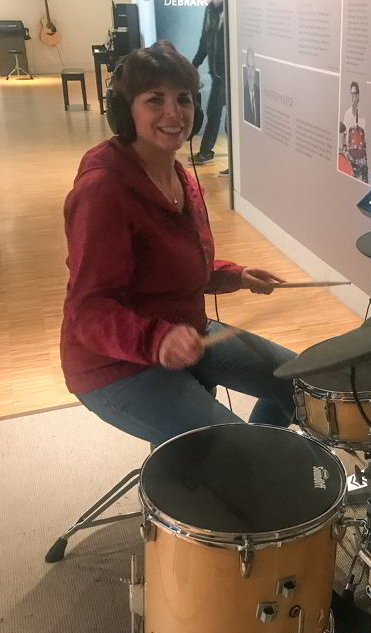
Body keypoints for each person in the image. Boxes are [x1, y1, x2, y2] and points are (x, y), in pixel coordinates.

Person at [61, 41, 296, 445]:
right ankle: (238, 467)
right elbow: (88, 310)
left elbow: (175, 267)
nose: (174, 113)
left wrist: (234, 275)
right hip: (113, 363)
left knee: (302, 381)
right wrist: (157, 340)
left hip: (186, 331)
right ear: (126, 111)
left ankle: (245, 464)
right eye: (155, 100)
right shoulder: (102, 190)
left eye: (183, 99)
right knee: (242, 450)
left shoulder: (181, 176)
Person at [188, 0, 226, 165]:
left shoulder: (234, 10)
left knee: (229, 121)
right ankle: (205, 153)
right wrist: (194, 64)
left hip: (231, 76)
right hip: (217, 76)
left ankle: (236, 163)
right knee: (213, 113)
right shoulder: (210, 10)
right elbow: (205, 40)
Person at [342, 81, 368, 182]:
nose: (352, 97)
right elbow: (343, 136)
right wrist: (345, 151)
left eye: (354, 94)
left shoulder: (364, 115)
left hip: (362, 158)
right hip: (350, 157)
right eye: (351, 94)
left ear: (358, 96)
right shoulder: (347, 114)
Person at [243, 48, 261, 128]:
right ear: (246, 68)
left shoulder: (259, 93)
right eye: (248, 67)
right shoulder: (242, 94)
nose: (250, 72)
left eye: (253, 67)